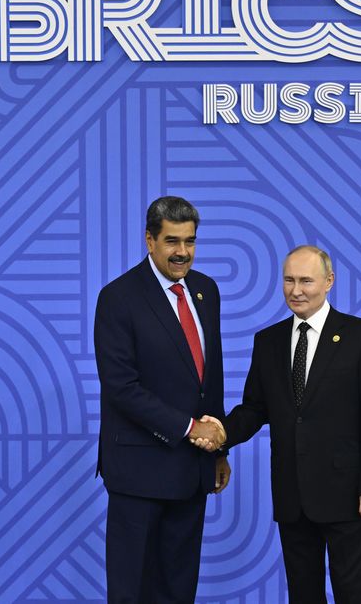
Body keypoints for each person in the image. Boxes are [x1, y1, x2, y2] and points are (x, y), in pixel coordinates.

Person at [193, 245, 361, 604]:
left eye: (306, 281)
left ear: (329, 282)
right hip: (291, 493)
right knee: (303, 594)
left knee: (355, 593)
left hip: (347, 493)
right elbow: (255, 409)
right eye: (288, 280)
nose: (296, 290)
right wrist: (220, 434)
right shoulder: (267, 341)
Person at [94, 196, 231, 604]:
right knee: (132, 590)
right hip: (139, 472)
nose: (182, 252)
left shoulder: (206, 290)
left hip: (191, 471)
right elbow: (122, 387)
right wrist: (191, 429)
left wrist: (219, 450)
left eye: (190, 241)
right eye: (172, 241)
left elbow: (210, 380)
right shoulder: (118, 298)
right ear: (149, 240)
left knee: (178, 588)